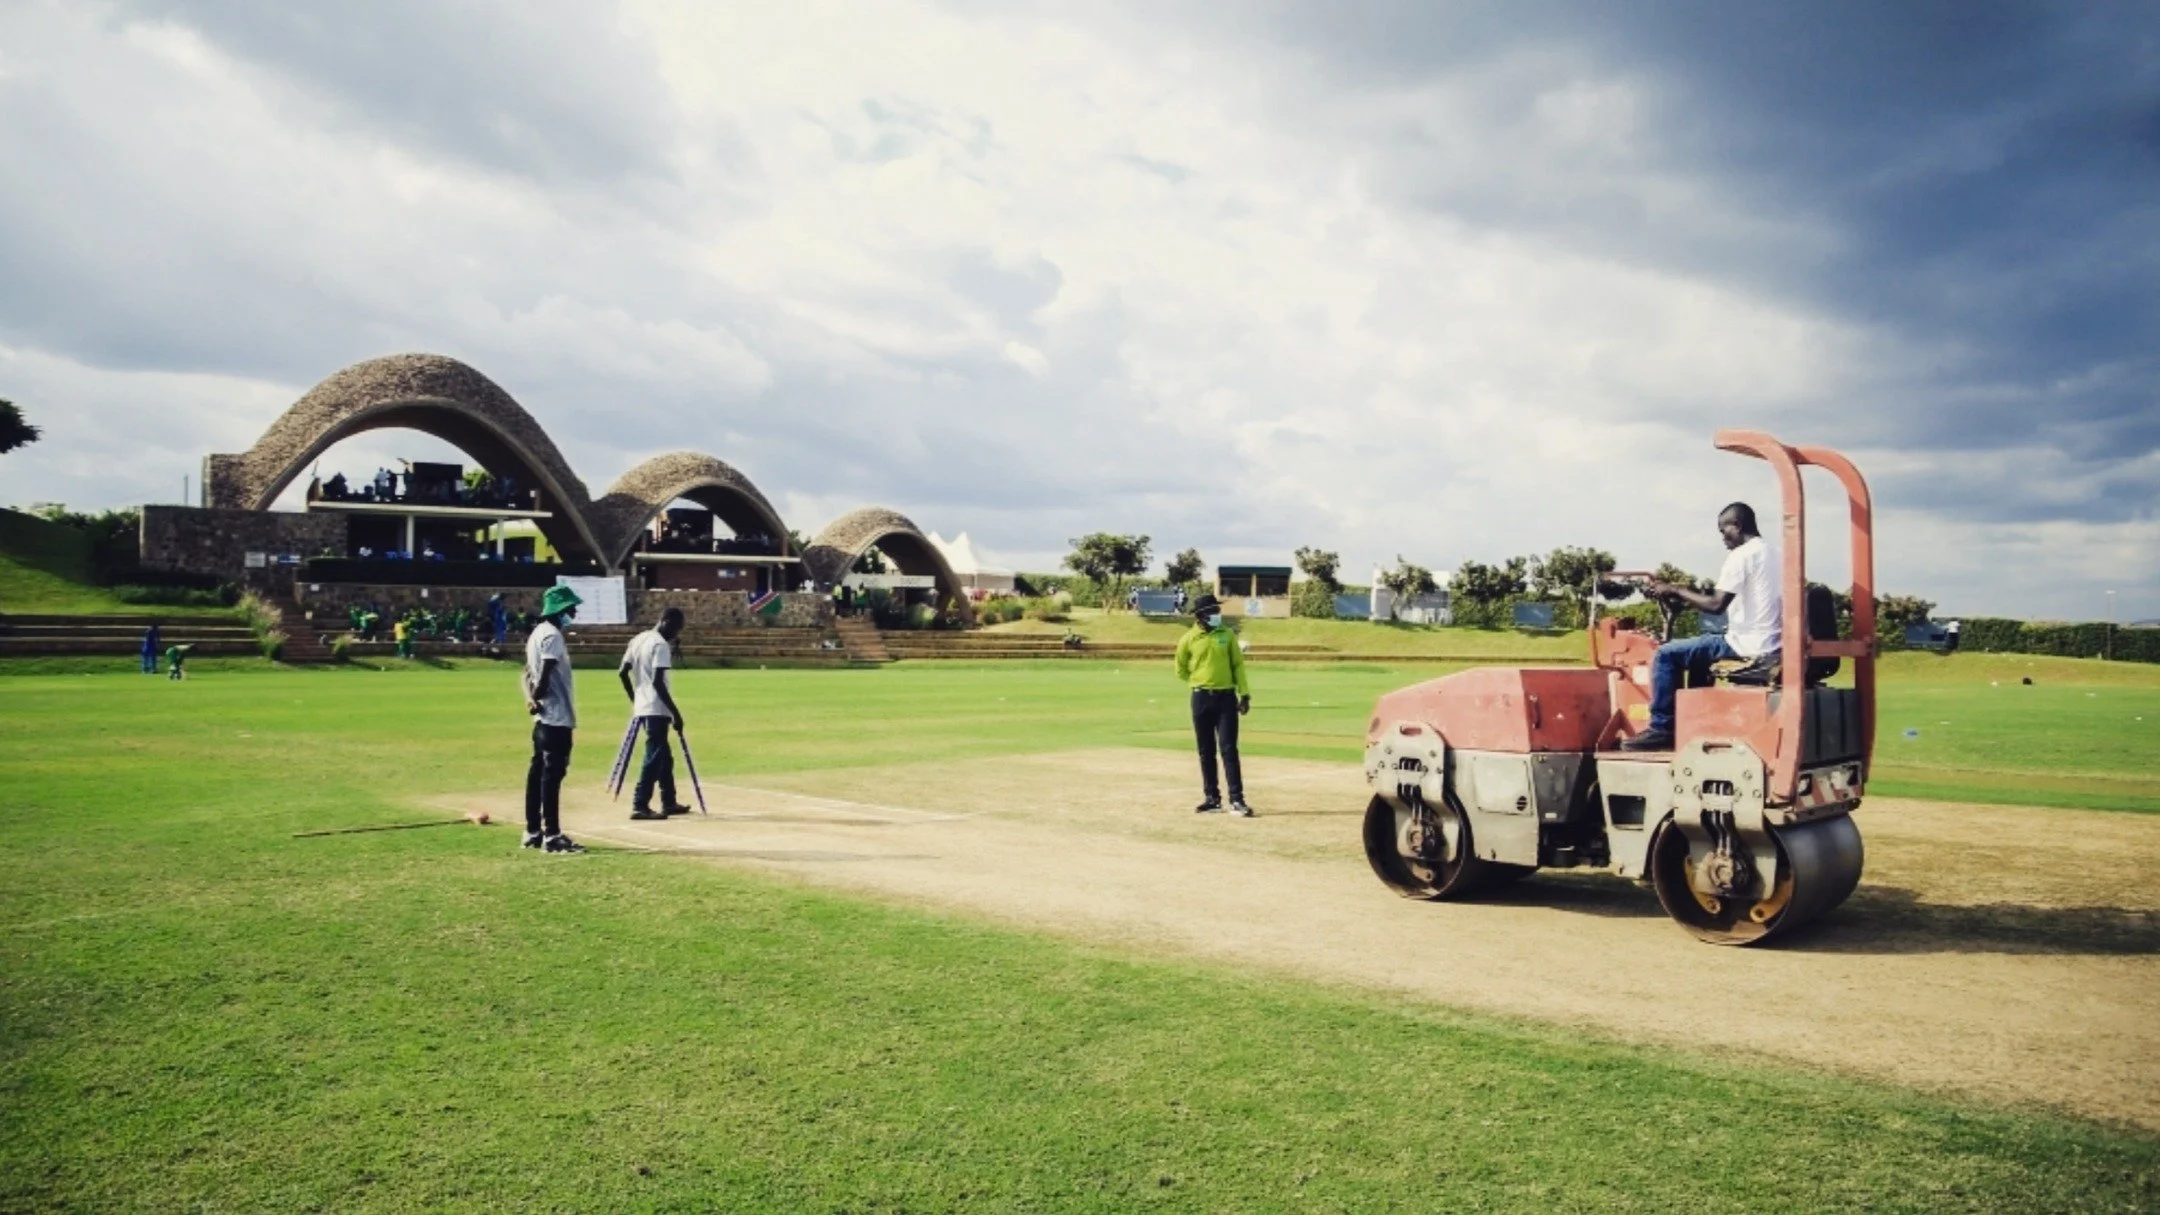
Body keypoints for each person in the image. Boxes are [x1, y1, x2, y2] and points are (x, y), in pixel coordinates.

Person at [1623, 502, 1784, 752]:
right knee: (1699, 652)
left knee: (1666, 654)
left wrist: (1675, 589)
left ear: (1737, 526)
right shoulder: (1776, 553)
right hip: (1770, 642)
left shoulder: (1741, 555)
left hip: (1745, 644)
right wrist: (1685, 597)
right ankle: (1696, 723)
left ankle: (1661, 729)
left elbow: (1715, 605)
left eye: (1724, 531)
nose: (1723, 538)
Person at [1173, 594, 1255, 816]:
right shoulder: (1188, 639)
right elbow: (1180, 669)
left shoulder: (1226, 635)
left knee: (1229, 749)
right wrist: (1200, 681)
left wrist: (1244, 694)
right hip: (1200, 698)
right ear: (1200, 616)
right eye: (1212, 612)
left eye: (1217, 611)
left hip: (1226, 698)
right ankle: (1212, 798)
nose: (1217, 615)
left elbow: (1237, 665)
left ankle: (1237, 800)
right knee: (1205, 751)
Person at [523, 584, 585, 853]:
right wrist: (538, 697)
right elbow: (545, 674)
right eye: (571, 608)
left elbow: (527, 673)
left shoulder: (536, 634)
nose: (574, 612)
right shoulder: (553, 636)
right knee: (552, 776)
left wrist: (531, 697)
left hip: (542, 722)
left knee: (538, 773)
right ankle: (552, 835)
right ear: (560, 610)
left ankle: (533, 830)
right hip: (556, 718)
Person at [618, 607, 692, 821]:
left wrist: (635, 699)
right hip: (656, 709)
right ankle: (640, 803)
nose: (676, 635)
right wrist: (675, 713)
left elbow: (622, 672)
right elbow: (658, 682)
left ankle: (669, 801)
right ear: (667, 621)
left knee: (664, 756)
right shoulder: (659, 645)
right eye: (677, 629)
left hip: (644, 707)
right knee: (654, 755)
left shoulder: (639, 639)